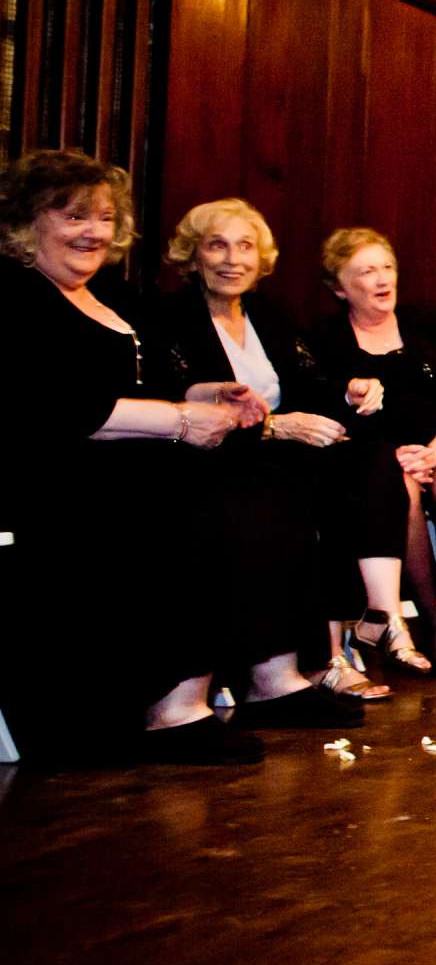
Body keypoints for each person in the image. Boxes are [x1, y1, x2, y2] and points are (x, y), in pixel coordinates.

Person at [0, 151, 299, 765]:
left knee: (261, 481)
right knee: (195, 486)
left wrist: (208, 393)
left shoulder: (110, 292)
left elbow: (150, 382)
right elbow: (57, 408)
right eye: (73, 215)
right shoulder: (13, 293)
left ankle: (235, 683)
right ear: (28, 223)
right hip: (50, 471)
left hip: (122, 459)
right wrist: (182, 422)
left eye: (105, 218)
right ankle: (171, 706)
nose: (94, 232)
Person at [150, 198, 413, 700]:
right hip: (217, 455)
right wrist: (275, 427)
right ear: (193, 255)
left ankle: (382, 617)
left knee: (371, 459)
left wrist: (348, 390)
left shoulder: (267, 314)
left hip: (281, 449)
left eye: (245, 247)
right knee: (302, 490)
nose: (232, 260)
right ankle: (319, 659)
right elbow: (176, 398)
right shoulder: (171, 316)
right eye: (217, 245)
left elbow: (308, 382)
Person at [316, 228, 436, 677]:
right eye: (366, 271)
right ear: (340, 288)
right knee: (403, 493)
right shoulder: (327, 338)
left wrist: (433, 453)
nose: (382, 279)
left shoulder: (426, 324)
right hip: (375, 463)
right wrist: (395, 459)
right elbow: (328, 410)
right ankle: (432, 626)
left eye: (387, 268)